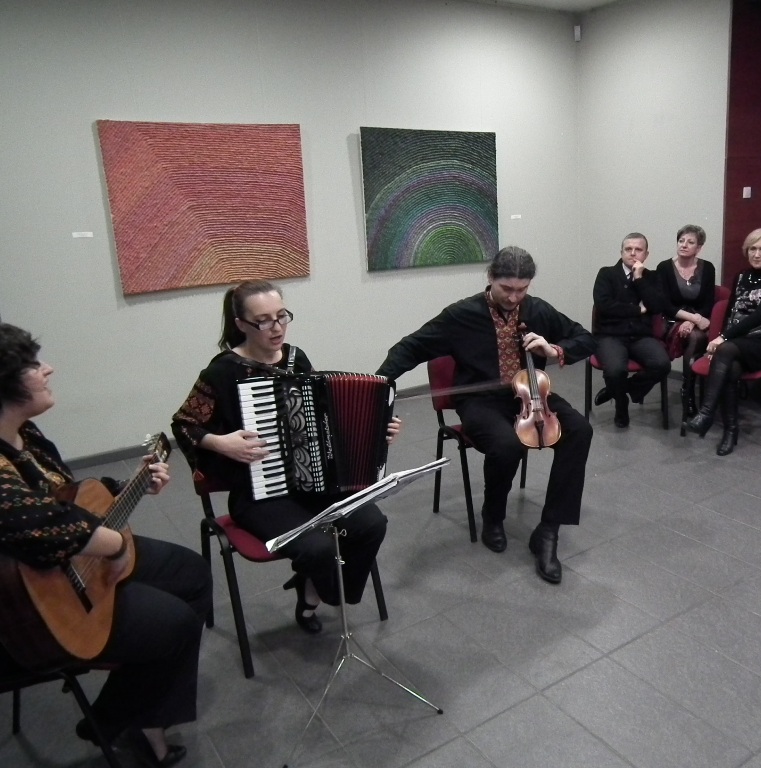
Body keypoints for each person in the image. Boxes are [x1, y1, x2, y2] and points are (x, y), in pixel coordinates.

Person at [0, 323, 211, 768]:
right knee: (176, 625)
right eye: (33, 364)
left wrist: (124, 487)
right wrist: (114, 548)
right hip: (27, 611)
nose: (47, 369)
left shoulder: (26, 433)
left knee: (191, 573)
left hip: (74, 561)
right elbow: (40, 525)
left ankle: (131, 704)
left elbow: (62, 497)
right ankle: (125, 719)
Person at [172, 280, 395, 633]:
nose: (276, 328)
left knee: (371, 523)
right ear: (241, 324)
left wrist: (376, 428)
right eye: (263, 321)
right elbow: (183, 425)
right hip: (258, 494)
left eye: (281, 316)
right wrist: (221, 443)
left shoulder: (296, 358)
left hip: (314, 482)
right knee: (318, 548)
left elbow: (322, 417)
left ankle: (321, 589)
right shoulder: (223, 371)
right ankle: (317, 587)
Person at [376, 246, 595, 584]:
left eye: (522, 289)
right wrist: (377, 388)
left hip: (531, 394)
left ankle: (549, 529)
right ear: (491, 277)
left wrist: (554, 349)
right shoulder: (462, 315)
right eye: (507, 288)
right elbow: (410, 347)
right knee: (507, 445)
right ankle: (493, 516)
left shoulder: (536, 309)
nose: (514, 297)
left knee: (579, 430)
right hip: (480, 401)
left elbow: (585, 338)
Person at [683, 228, 761, 456]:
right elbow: (730, 314)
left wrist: (722, 339)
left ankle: (706, 413)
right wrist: (720, 337)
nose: (757, 254)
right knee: (730, 369)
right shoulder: (741, 276)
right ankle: (730, 431)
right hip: (738, 344)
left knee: (727, 350)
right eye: (753, 248)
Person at [591, 232, 672, 428]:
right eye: (628, 249)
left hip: (640, 336)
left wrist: (639, 278)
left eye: (638, 249)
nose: (633, 253)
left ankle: (620, 390)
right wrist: (638, 310)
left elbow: (657, 306)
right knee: (615, 370)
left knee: (662, 364)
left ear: (646, 254)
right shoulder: (606, 274)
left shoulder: (651, 277)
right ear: (621, 252)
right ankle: (621, 404)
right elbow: (604, 306)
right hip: (610, 335)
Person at [654, 225, 717, 417]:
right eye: (681, 241)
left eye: (690, 242)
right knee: (695, 337)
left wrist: (693, 321)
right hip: (671, 319)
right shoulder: (664, 267)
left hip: (699, 319)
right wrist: (691, 318)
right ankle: (688, 392)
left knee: (698, 337)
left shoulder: (708, 268)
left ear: (699, 248)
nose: (684, 245)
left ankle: (688, 389)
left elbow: (708, 302)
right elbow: (665, 305)